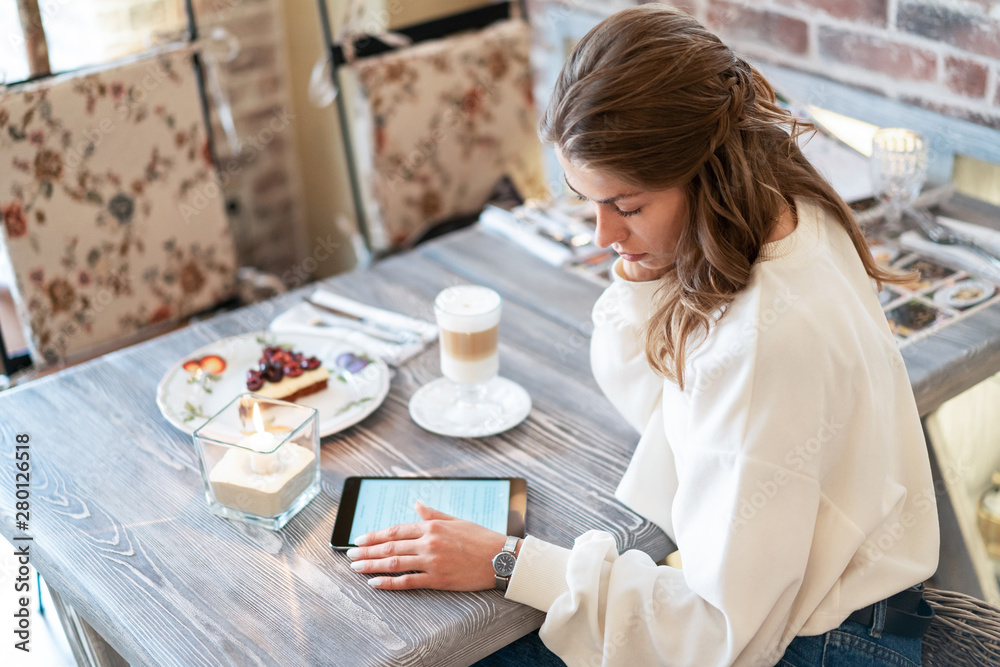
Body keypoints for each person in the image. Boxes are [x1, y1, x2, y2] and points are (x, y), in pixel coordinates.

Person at [345, 5, 940, 665]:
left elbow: (718, 633)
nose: (602, 236)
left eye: (625, 206)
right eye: (586, 200)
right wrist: (643, 260)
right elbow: (655, 398)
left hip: (827, 643)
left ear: (708, 172)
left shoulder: (765, 344)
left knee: (456, 646)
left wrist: (508, 560)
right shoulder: (782, 204)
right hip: (813, 605)